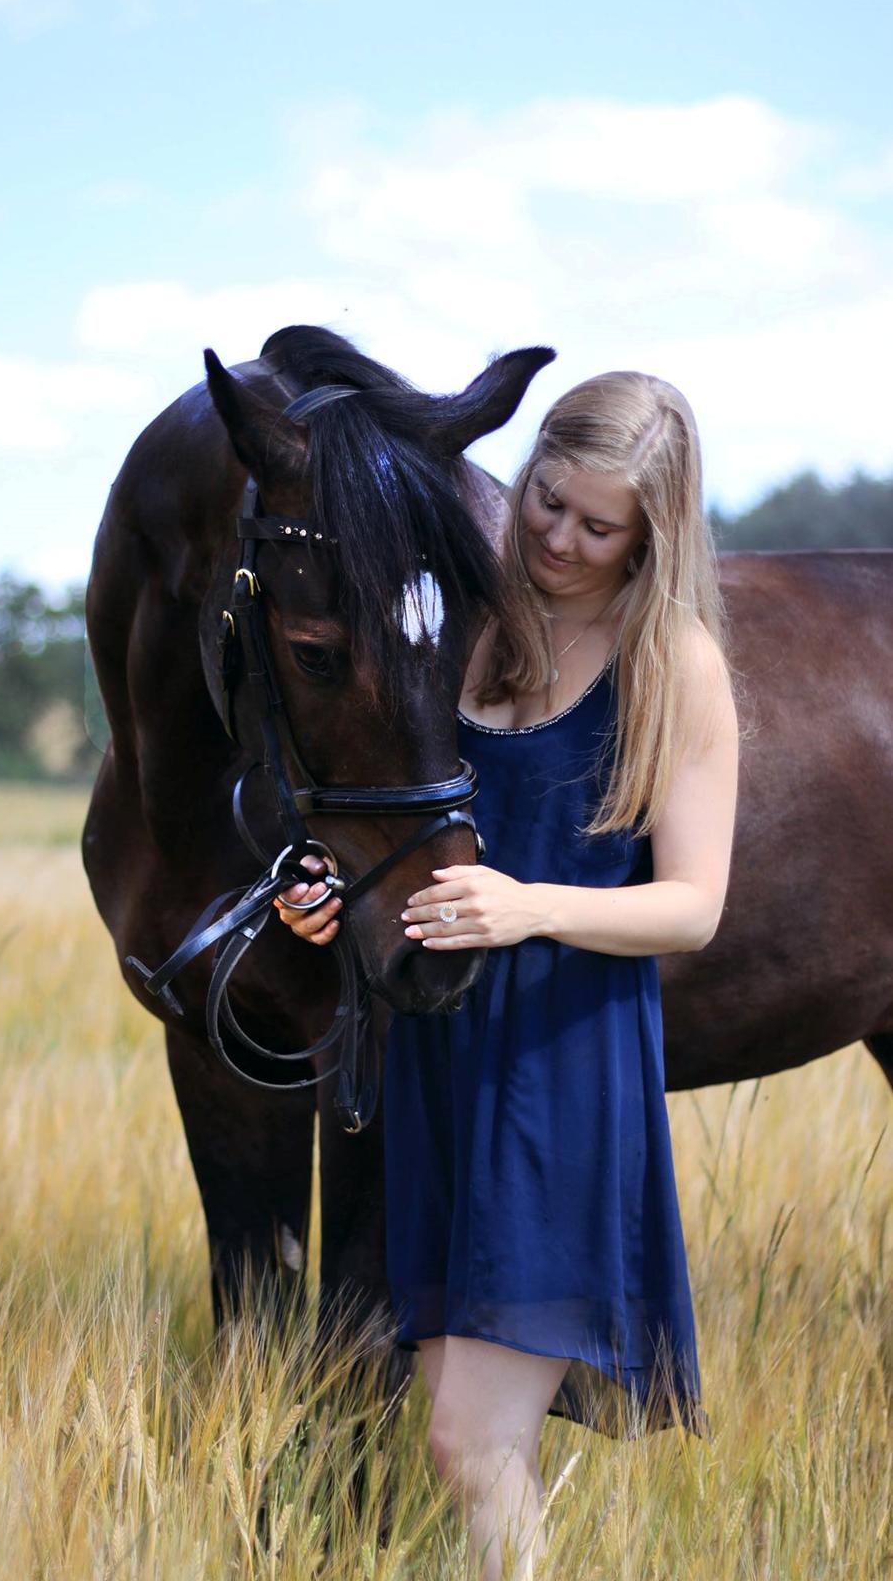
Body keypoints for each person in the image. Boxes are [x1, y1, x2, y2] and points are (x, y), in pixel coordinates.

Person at [274, 371, 738, 1579]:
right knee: (469, 1451)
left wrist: (525, 905)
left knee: (466, 1443)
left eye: (600, 526)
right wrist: (331, 893)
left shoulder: (671, 661)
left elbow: (692, 906)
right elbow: (403, 824)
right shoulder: (463, 621)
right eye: (546, 502)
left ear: (653, 531)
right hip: (436, 1059)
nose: (560, 540)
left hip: (561, 1072)